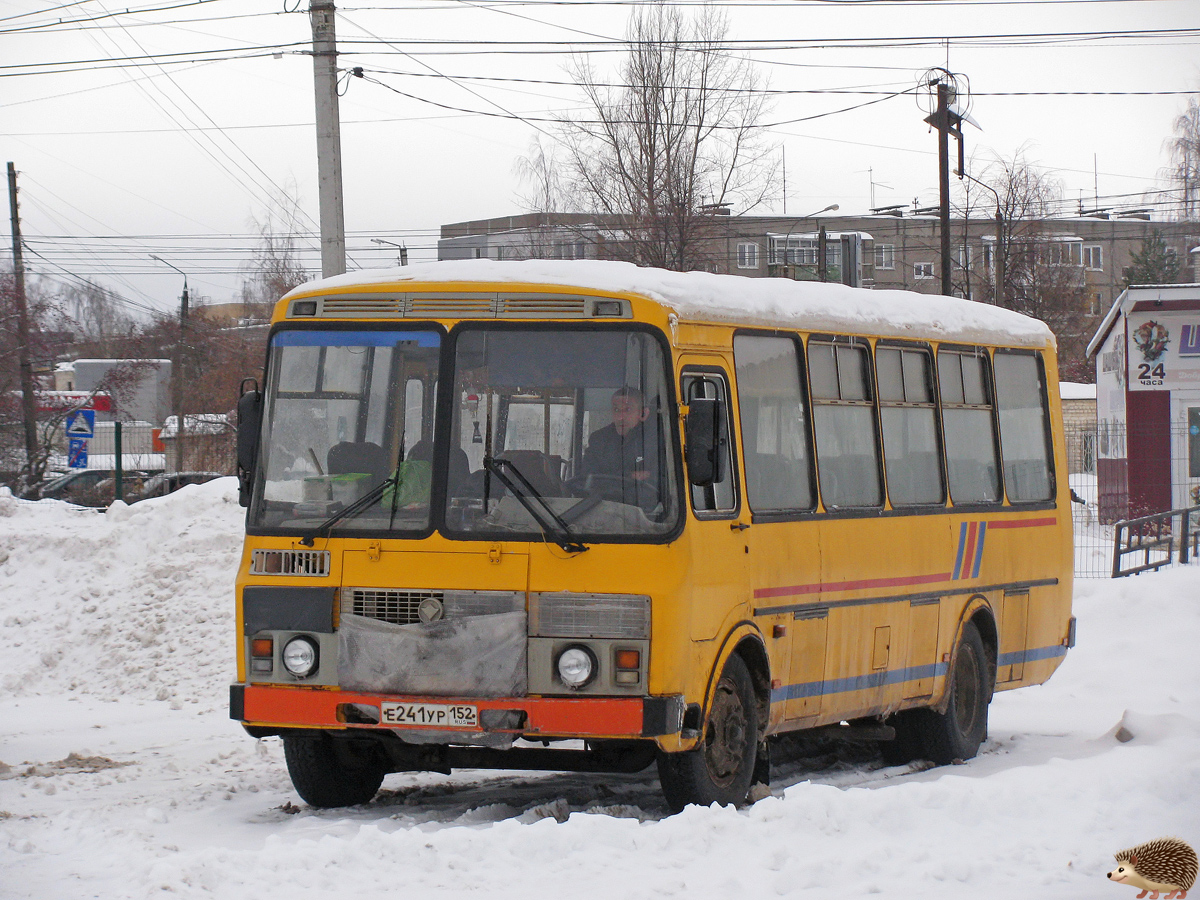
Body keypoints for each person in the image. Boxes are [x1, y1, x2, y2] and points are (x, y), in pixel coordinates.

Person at [581, 387, 661, 502]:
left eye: (627, 410)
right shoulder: (599, 440)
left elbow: (656, 486)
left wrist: (610, 480)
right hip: (600, 508)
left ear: (644, 413)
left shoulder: (655, 441)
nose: (620, 417)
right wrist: (631, 476)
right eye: (616, 410)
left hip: (644, 514)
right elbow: (587, 480)